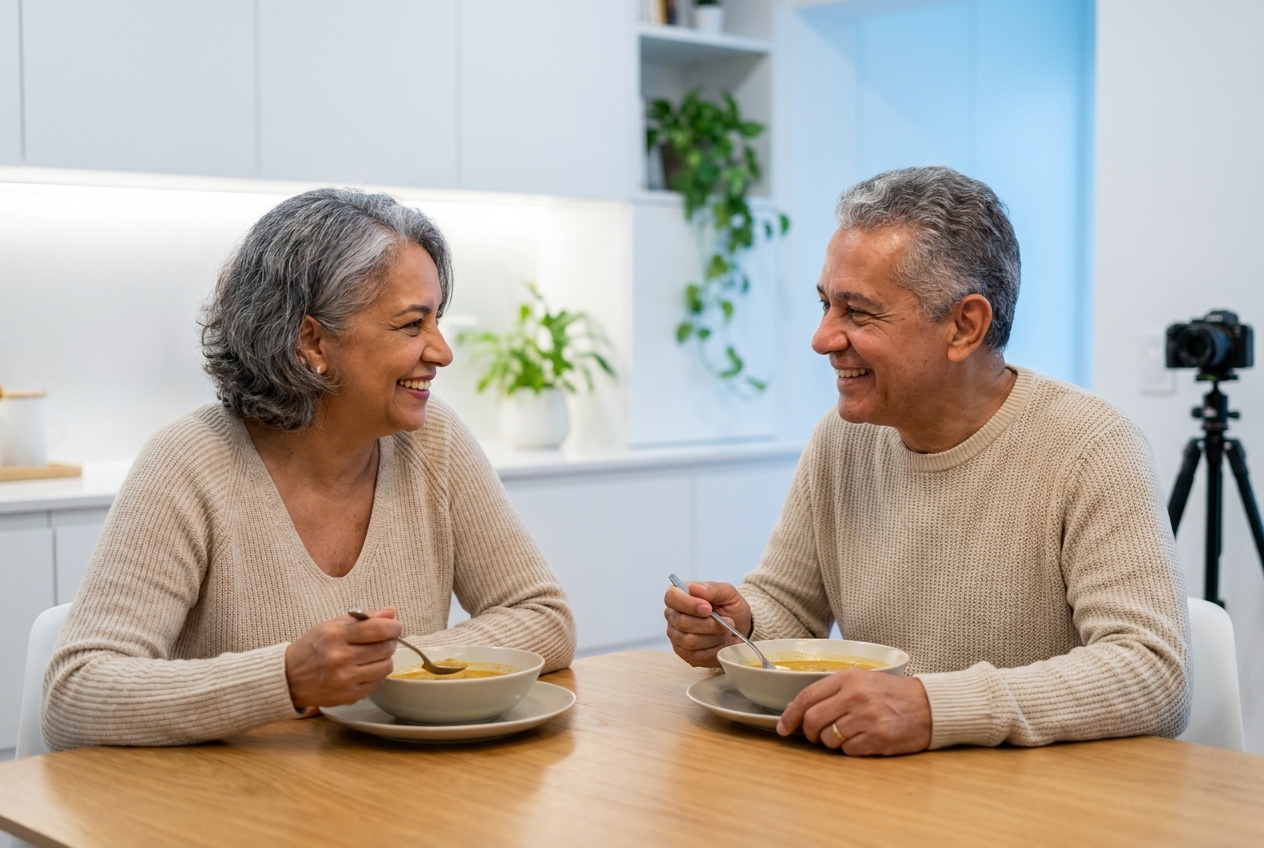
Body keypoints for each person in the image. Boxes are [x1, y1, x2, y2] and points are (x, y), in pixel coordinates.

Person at [664, 166, 1190, 756]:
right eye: (825, 304)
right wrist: (742, 626)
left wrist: (934, 707)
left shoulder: (1091, 447)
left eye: (857, 312)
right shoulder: (841, 440)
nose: (822, 338)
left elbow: (1152, 672)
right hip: (883, 788)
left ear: (965, 326)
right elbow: (790, 607)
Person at [43, 188, 576, 751]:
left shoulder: (433, 441)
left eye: (437, 320)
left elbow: (543, 615)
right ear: (312, 341)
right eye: (412, 326)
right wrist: (288, 679)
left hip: (395, 803)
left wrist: (389, 668)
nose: (441, 352)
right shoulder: (190, 462)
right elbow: (74, 695)